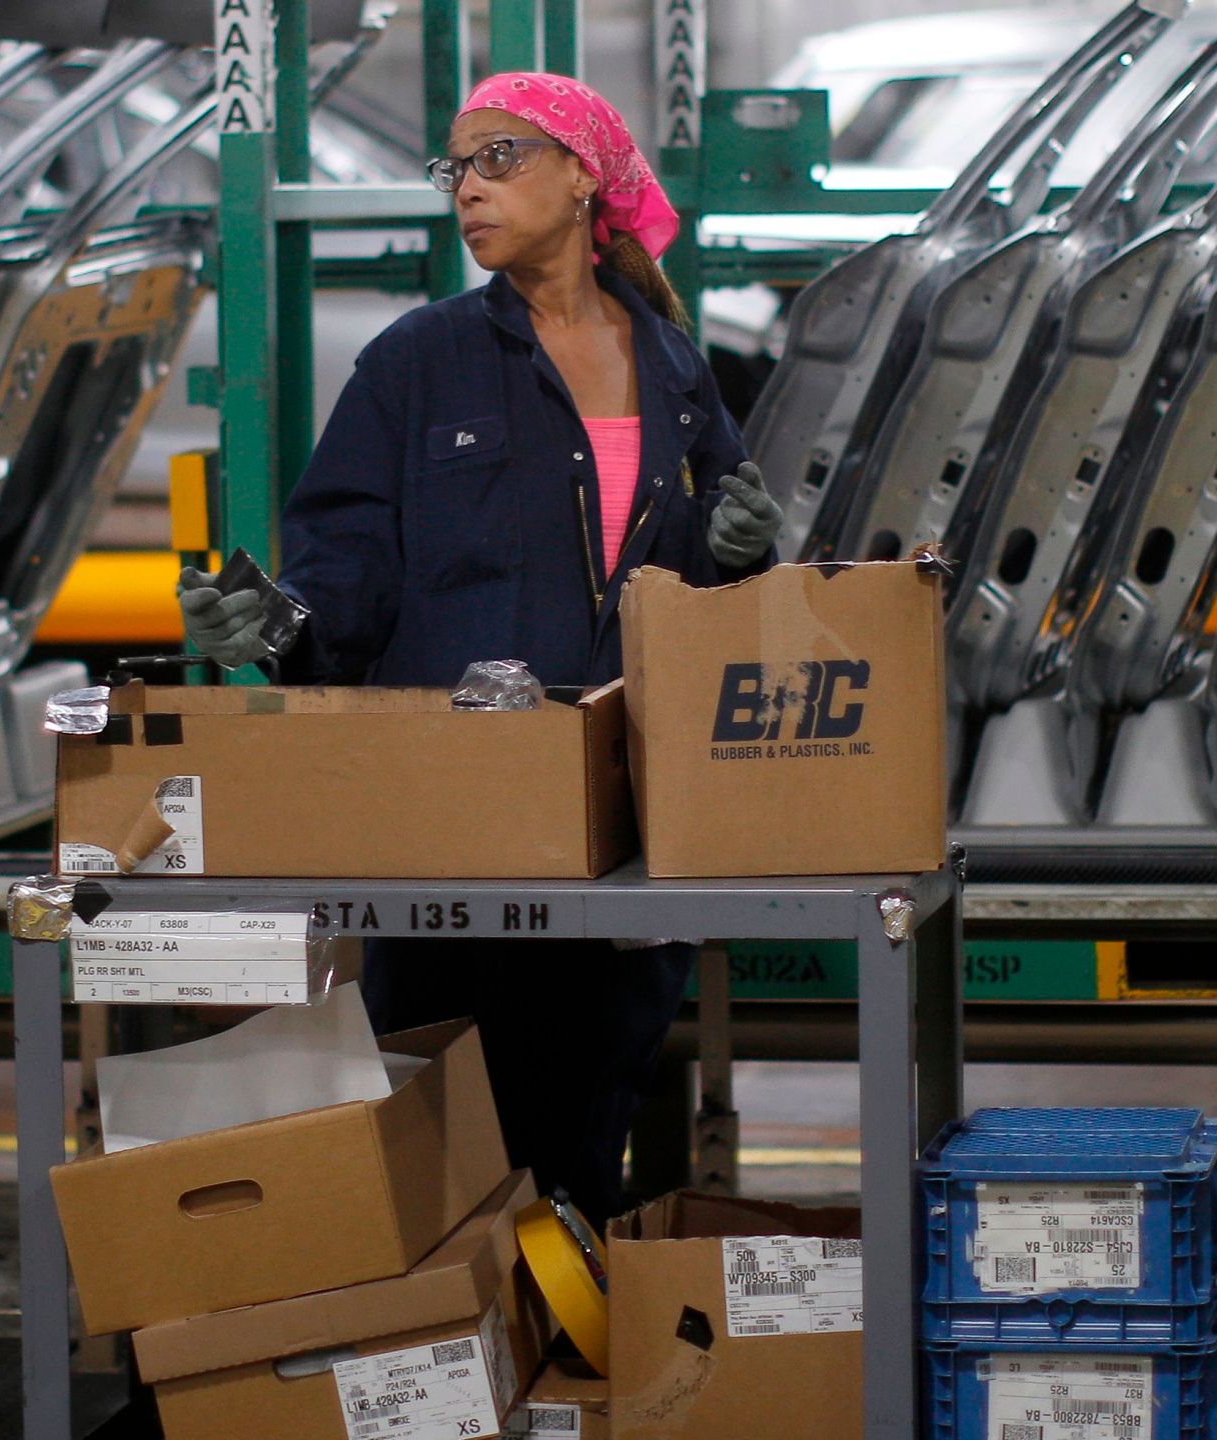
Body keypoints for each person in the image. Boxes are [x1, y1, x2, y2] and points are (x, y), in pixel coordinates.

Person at [173, 72, 782, 1218]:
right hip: (447, 827)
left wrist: (737, 552)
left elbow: (699, 591)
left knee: (579, 1146)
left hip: (617, 824)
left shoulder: (669, 365)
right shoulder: (419, 363)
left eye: (499, 158)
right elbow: (348, 558)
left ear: (582, 175)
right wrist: (278, 622)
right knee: (441, 1155)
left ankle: (564, 1383)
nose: (468, 189)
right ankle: (453, 1386)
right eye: (454, 167)